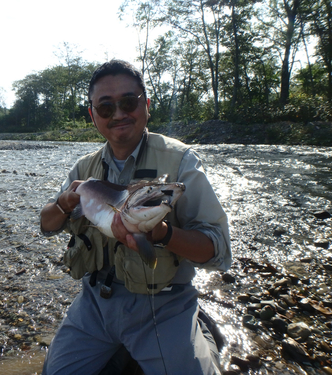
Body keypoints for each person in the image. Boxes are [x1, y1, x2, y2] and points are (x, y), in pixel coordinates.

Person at [40, 59, 231, 375]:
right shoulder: (83, 171)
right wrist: (63, 204)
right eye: (105, 107)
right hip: (95, 304)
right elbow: (47, 226)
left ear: (146, 104)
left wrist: (163, 234)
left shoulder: (181, 161)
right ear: (93, 115)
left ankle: (203, 331)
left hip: (164, 306)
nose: (118, 114)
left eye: (128, 102)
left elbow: (217, 249)